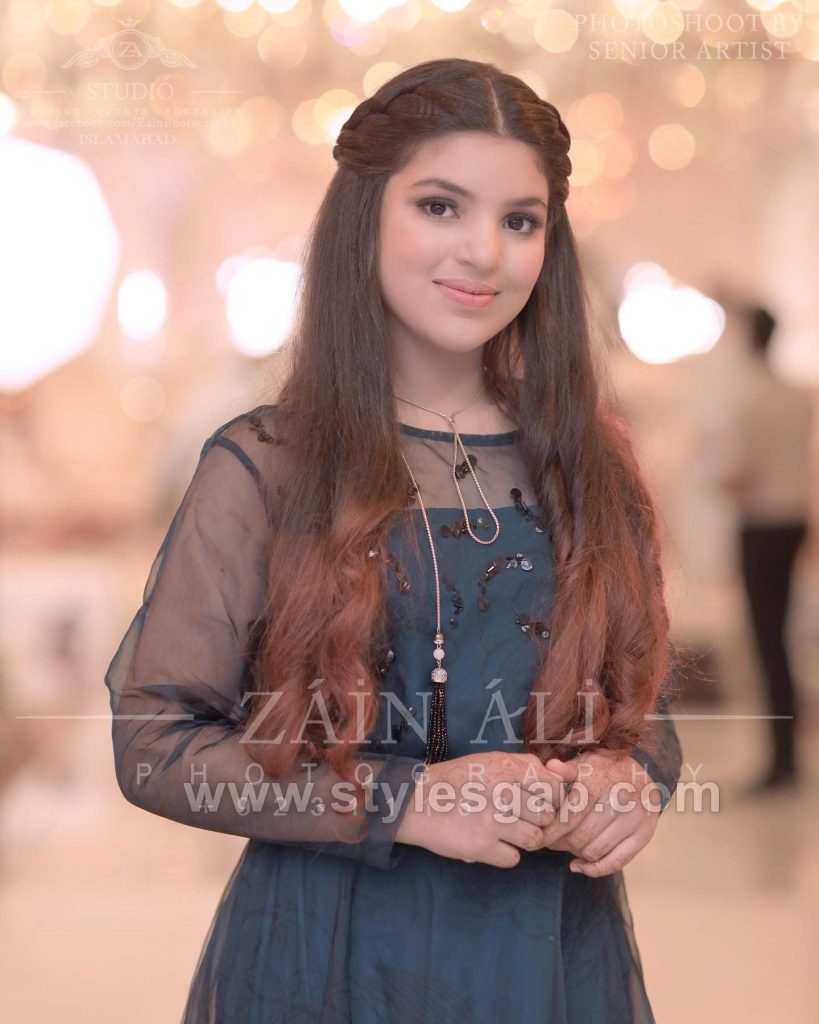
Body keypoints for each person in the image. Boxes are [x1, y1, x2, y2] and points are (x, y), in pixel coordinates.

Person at [105, 58, 683, 1024]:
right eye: (440, 206)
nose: (483, 253)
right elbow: (155, 746)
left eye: (520, 221)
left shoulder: (587, 466)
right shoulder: (269, 465)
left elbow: (640, 708)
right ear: (364, 215)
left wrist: (633, 781)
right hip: (328, 954)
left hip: (545, 957)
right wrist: (406, 803)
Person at [704, 302, 813, 795]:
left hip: (762, 527)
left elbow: (738, 475)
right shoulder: (796, 396)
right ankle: (786, 754)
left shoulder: (747, 398)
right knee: (780, 640)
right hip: (794, 522)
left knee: (766, 642)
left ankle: (780, 760)